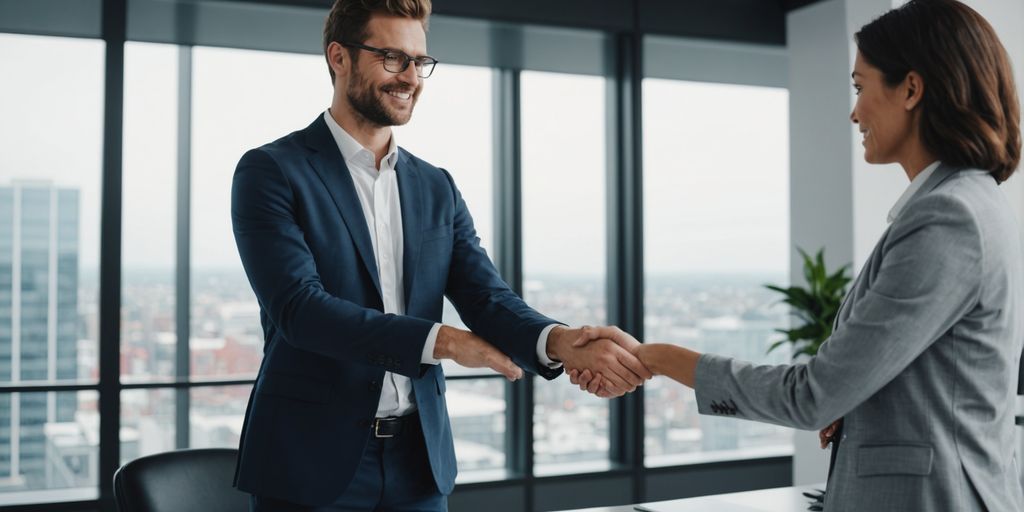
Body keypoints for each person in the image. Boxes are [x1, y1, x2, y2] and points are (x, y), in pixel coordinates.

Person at [572, 1, 1023, 510]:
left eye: (860, 87)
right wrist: (854, 405)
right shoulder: (964, 203)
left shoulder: (948, 217)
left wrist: (657, 357)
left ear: (911, 89)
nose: (854, 112)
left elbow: (812, 395)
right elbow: (929, 382)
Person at [230, 0, 651, 510]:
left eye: (419, 61)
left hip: (419, 464)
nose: (411, 77)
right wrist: (444, 342)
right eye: (392, 58)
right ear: (339, 57)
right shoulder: (272, 172)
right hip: (309, 462)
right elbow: (301, 311)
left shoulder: (436, 187)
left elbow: (485, 296)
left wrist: (561, 342)